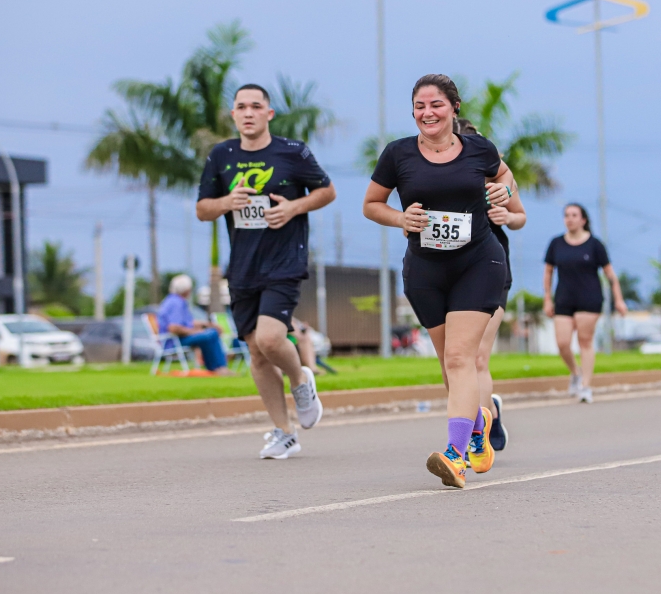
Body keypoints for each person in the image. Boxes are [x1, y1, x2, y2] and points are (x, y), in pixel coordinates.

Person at [363, 74, 515, 488]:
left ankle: (455, 455)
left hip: (478, 263)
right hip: (426, 270)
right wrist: (400, 218)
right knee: (450, 364)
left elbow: (505, 176)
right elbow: (371, 205)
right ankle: (478, 423)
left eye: (436, 105)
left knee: (461, 358)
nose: (427, 113)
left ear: (454, 108)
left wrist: (502, 192)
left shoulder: (479, 149)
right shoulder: (398, 154)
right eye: (420, 106)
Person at [196, 83, 336, 460]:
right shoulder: (221, 155)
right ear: (233, 114)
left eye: (256, 106)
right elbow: (203, 209)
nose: (248, 113)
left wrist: (293, 208)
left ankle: (300, 380)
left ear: (268, 113)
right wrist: (227, 201)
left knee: (271, 339)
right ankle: (284, 433)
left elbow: (327, 191)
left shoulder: (292, 152)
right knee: (256, 354)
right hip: (243, 267)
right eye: (241, 107)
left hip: (284, 261)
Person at [457, 118, 526, 452]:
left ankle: (477, 435)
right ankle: (489, 413)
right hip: (449, 272)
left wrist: (507, 217)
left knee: (478, 357)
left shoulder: (497, 179)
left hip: (492, 270)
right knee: (458, 360)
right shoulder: (434, 178)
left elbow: (520, 217)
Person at [542, 203, 628, 404]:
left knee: (585, 341)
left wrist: (619, 299)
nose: (570, 219)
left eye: (574, 215)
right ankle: (576, 372)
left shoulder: (595, 244)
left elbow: (610, 274)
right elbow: (548, 272)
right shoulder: (556, 243)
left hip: (589, 299)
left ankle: (586, 386)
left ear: (583, 220)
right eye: (566, 215)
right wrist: (547, 298)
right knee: (562, 343)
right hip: (563, 298)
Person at [157, 274, 230, 375]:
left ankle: (216, 368)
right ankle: (218, 368)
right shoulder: (176, 303)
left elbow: (188, 322)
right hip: (173, 341)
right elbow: (174, 328)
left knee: (209, 333)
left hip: (177, 339)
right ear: (187, 290)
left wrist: (208, 325)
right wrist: (195, 332)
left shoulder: (173, 300)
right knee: (210, 334)